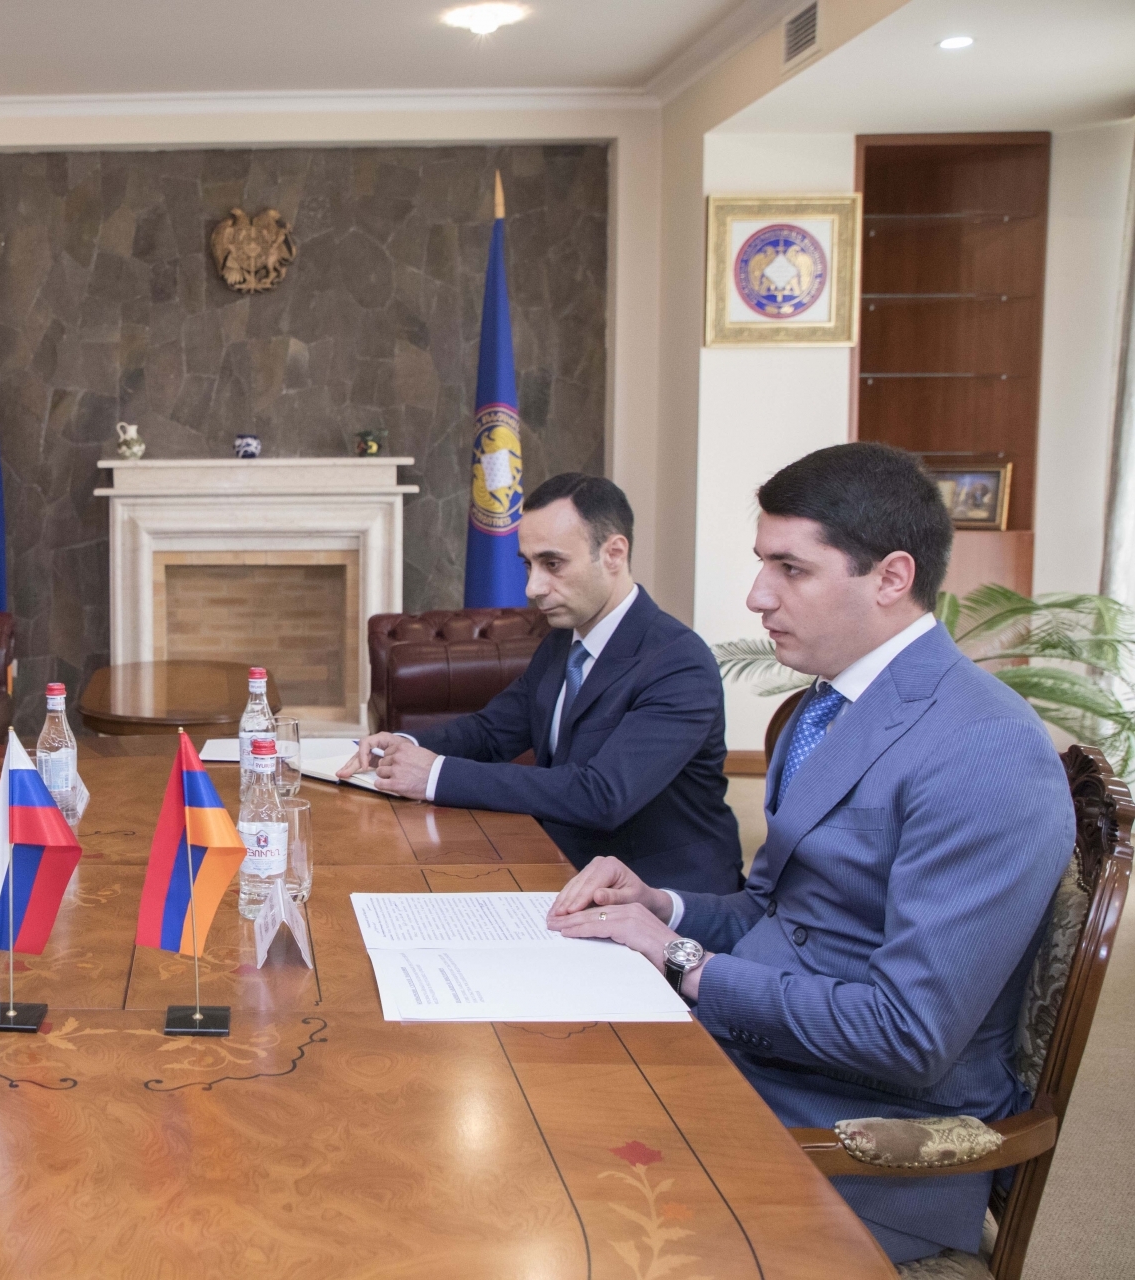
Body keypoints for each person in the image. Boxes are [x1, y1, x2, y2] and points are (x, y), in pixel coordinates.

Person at [546, 443, 1073, 1265]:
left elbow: (909, 1035)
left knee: (546, 1170)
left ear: (891, 578)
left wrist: (683, 960)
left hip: (859, 1142)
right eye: (764, 563)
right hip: (761, 1062)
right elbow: (774, 912)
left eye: (790, 569)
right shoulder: (827, 706)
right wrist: (660, 906)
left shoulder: (986, 747)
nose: (757, 595)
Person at [342, 472, 742, 893]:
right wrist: (405, 745)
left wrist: (434, 775)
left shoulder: (678, 662)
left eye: (553, 564)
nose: (533, 588)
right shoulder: (562, 641)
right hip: (560, 866)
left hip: (660, 894)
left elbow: (602, 796)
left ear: (613, 553)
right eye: (527, 565)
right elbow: (492, 731)